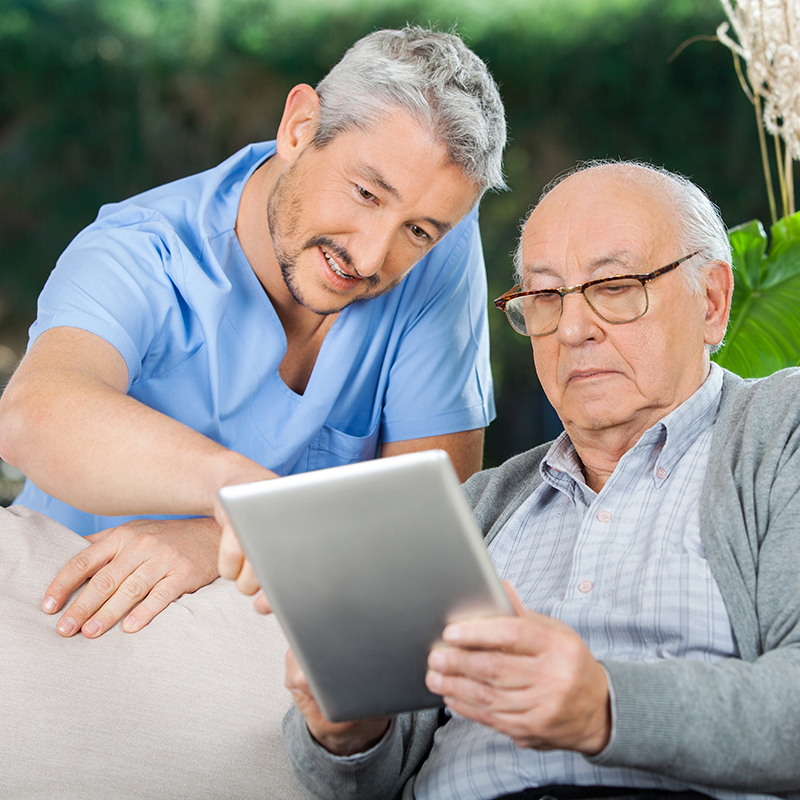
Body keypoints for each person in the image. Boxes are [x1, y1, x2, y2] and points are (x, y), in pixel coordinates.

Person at [264, 160, 800, 799]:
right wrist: (346, 730)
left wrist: (603, 705)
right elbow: (355, 779)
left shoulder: (778, 434)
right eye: (545, 298)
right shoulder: (479, 506)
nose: (572, 330)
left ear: (711, 302)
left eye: (616, 285)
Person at [0, 26, 506, 640]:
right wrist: (238, 492)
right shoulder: (139, 252)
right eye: (366, 193)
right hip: (80, 617)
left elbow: (435, 507)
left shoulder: (435, 238)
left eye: (420, 231)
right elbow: (33, 416)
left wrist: (224, 535)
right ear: (299, 127)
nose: (373, 258)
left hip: (278, 646)